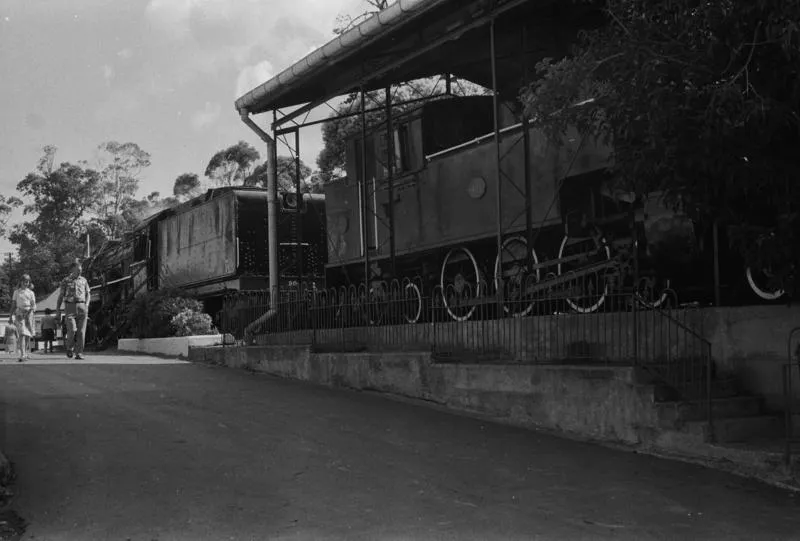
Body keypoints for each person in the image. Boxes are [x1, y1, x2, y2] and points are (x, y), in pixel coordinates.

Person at [56, 260, 91, 360]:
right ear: (72, 269)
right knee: (72, 330)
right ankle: (69, 348)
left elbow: (88, 293)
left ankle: (79, 353)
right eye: (78, 270)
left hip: (82, 306)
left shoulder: (84, 280)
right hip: (70, 306)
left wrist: (87, 305)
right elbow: (61, 295)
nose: (80, 271)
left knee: (81, 332)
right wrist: (58, 309)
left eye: (81, 270)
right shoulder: (66, 280)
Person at [9, 274, 36, 362]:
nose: (26, 283)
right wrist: (10, 316)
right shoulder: (16, 292)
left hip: (29, 314)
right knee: (22, 334)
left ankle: (26, 352)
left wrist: (31, 311)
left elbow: (33, 305)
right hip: (19, 314)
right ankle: (22, 354)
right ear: (21, 282)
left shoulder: (31, 293)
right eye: (24, 281)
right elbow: (13, 304)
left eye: (27, 281)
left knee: (28, 335)